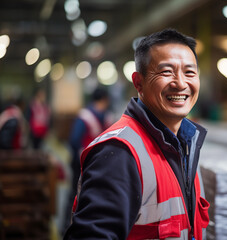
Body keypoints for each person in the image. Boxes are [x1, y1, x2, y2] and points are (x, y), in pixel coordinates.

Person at [64, 28, 210, 239]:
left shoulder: (186, 147)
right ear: (138, 82)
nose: (180, 83)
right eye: (166, 72)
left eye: (189, 72)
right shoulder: (119, 153)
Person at [63, 86, 113, 233]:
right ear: (104, 100)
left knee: (76, 194)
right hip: (92, 164)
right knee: (81, 194)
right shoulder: (96, 117)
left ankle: (70, 226)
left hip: (85, 162)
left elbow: (73, 141)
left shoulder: (86, 116)